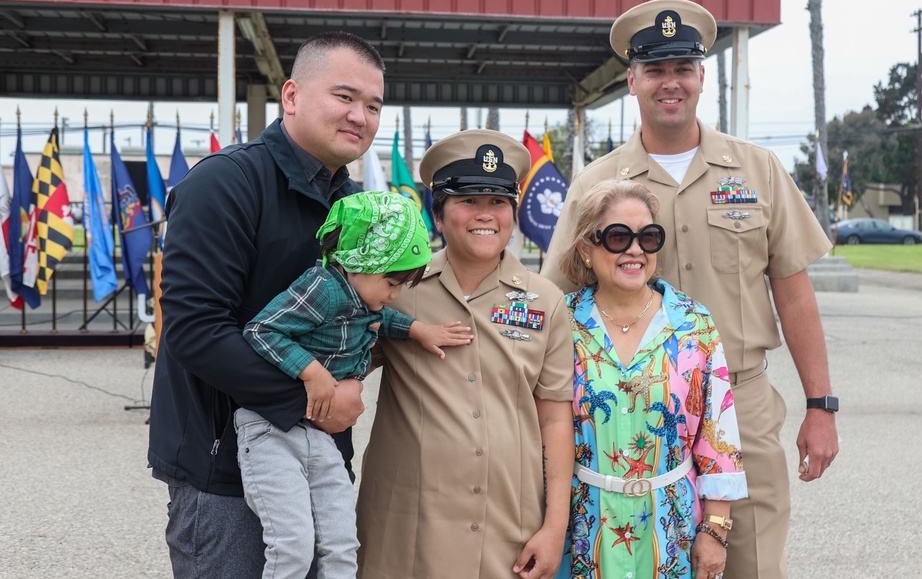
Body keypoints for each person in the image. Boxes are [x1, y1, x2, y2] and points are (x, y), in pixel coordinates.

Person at [541, 0, 839, 579]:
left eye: (682, 68)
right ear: (632, 80)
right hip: (619, 420)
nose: (669, 83)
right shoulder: (597, 185)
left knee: (751, 566)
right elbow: (555, 306)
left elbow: (795, 293)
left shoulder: (758, 172)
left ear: (702, 76)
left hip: (743, 408)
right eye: (654, 70)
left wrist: (821, 406)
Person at [148, 31, 385, 579]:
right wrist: (315, 399)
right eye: (345, 97)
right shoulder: (224, 184)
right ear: (292, 96)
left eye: (373, 105)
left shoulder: (354, 205)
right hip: (225, 468)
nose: (360, 116)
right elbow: (195, 329)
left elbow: (357, 318)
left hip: (319, 459)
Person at [355, 130, 575, 579]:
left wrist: (555, 526)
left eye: (497, 202)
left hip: (506, 527)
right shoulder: (398, 289)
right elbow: (345, 354)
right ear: (437, 215)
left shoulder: (545, 300)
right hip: (408, 527)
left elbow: (555, 418)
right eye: (467, 200)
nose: (485, 215)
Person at [238, 191, 473, 579]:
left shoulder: (363, 295)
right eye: (392, 282)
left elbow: (378, 319)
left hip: (318, 436)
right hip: (271, 430)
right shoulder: (324, 289)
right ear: (359, 261)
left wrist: (419, 330)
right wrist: (313, 374)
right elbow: (261, 330)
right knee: (293, 545)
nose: (396, 294)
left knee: (343, 544)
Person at [554, 180, 746, 579]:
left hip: (672, 528)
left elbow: (718, 434)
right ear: (586, 248)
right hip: (581, 527)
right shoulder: (560, 324)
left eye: (648, 237)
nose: (636, 249)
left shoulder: (694, 324)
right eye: (618, 236)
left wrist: (716, 530)